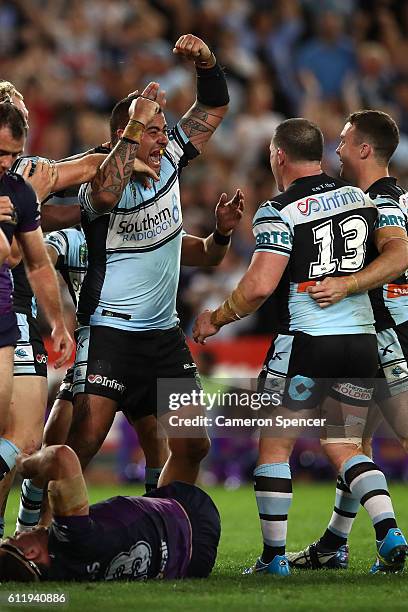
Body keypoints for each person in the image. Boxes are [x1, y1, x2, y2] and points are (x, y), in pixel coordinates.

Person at [193, 118, 408, 576]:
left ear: (278, 156)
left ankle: (274, 558)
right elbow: (394, 253)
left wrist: (217, 316)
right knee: (345, 443)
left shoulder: (279, 209)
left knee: (274, 448)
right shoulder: (363, 199)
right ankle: (388, 528)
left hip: (306, 344)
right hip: (362, 343)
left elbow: (258, 287)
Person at [16, 188, 243, 532]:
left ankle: (158, 532)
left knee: (166, 441)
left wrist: (222, 232)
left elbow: (208, 253)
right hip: (100, 349)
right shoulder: (74, 238)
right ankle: (33, 526)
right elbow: (42, 256)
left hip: (153, 348)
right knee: (59, 443)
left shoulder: (149, 230)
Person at [70, 34, 229, 487]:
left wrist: (207, 63)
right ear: (127, 134)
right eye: (153, 130)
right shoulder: (99, 175)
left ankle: (166, 528)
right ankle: (35, 530)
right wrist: (135, 128)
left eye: (162, 129)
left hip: (162, 335)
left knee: (193, 443)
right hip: (110, 330)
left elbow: (213, 108)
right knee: (84, 439)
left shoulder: (172, 158)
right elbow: (102, 194)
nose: (165, 137)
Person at [287, 110, 408, 573]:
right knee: (355, 444)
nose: (336, 149)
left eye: (343, 140)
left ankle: (354, 541)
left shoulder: (381, 199)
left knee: (356, 439)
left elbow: (398, 256)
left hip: (386, 335)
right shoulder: (374, 196)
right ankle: (335, 543)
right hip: (375, 333)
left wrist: (348, 284)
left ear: (363, 148)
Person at [0, 445, 220, 581]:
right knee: (185, 446)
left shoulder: (63, 573)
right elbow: (61, 456)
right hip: (189, 513)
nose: (18, 533)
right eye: (15, 538)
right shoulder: (71, 537)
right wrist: (24, 465)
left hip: (192, 565)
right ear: (29, 553)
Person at [0, 102, 73, 492]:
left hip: (8, 322)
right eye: (2, 153)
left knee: (24, 439)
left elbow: (35, 263)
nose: (9, 161)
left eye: (15, 153)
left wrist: (58, 322)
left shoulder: (19, 192)